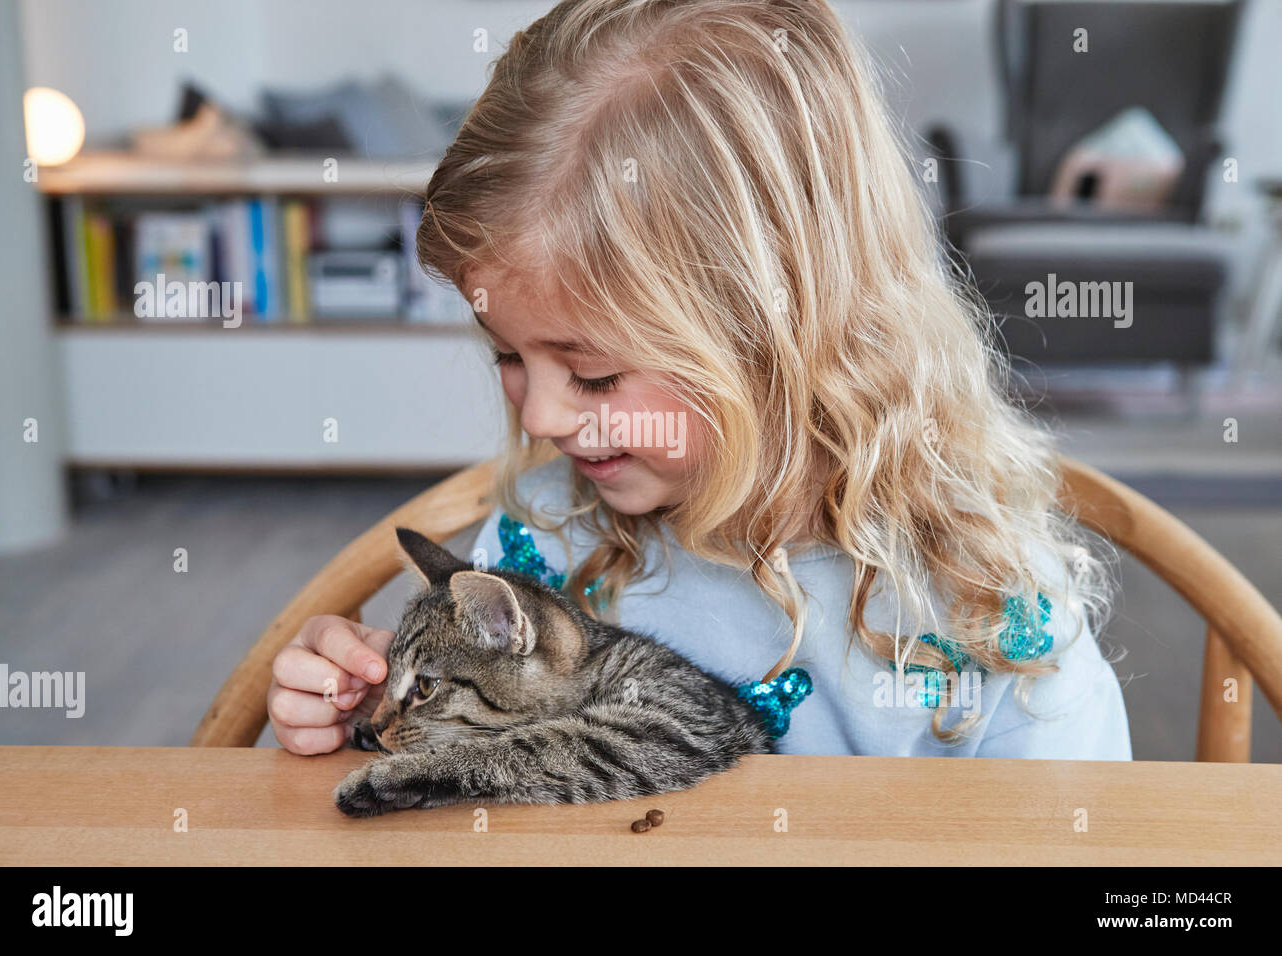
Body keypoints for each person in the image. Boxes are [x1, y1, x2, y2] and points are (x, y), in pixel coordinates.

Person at [268, 0, 1130, 759]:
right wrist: (356, 710)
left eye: (595, 375)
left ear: (778, 331)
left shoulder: (989, 615)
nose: (542, 413)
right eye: (508, 356)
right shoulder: (539, 546)